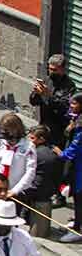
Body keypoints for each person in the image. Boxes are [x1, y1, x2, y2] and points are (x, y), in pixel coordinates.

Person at [0, 113, 36, 202]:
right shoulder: (2, 143)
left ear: (16, 129)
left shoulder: (28, 147)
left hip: (16, 192)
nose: (4, 133)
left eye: (7, 130)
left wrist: (15, 191)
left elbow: (30, 172)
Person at [30, 54, 77, 148]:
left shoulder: (69, 86)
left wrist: (48, 95)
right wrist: (36, 93)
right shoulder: (47, 80)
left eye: (54, 70)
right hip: (44, 125)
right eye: (50, 69)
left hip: (58, 130)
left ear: (62, 69)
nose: (51, 72)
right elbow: (33, 102)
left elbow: (64, 107)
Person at [57, 93, 82, 243]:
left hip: (79, 168)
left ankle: (78, 229)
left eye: (74, 103)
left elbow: (75, 148)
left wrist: (61, 154)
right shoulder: (76, 119)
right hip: (76, 166)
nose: (71, 106)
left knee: (79, 198)